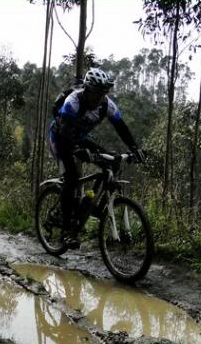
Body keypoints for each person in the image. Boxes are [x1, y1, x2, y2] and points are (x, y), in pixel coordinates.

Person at [48, 67, 145, 248]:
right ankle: (67, 231)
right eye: (96, 93)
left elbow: (121, 127)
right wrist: (78, 149)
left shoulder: (107, 104)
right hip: (60, 138)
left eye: (103, 93)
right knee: (72, 177)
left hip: (80, 138)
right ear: (86, 90)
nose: (99, 97)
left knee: (110, 161)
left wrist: (134, 147)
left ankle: (88, 204)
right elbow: (66, 131)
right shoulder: (73, 101)